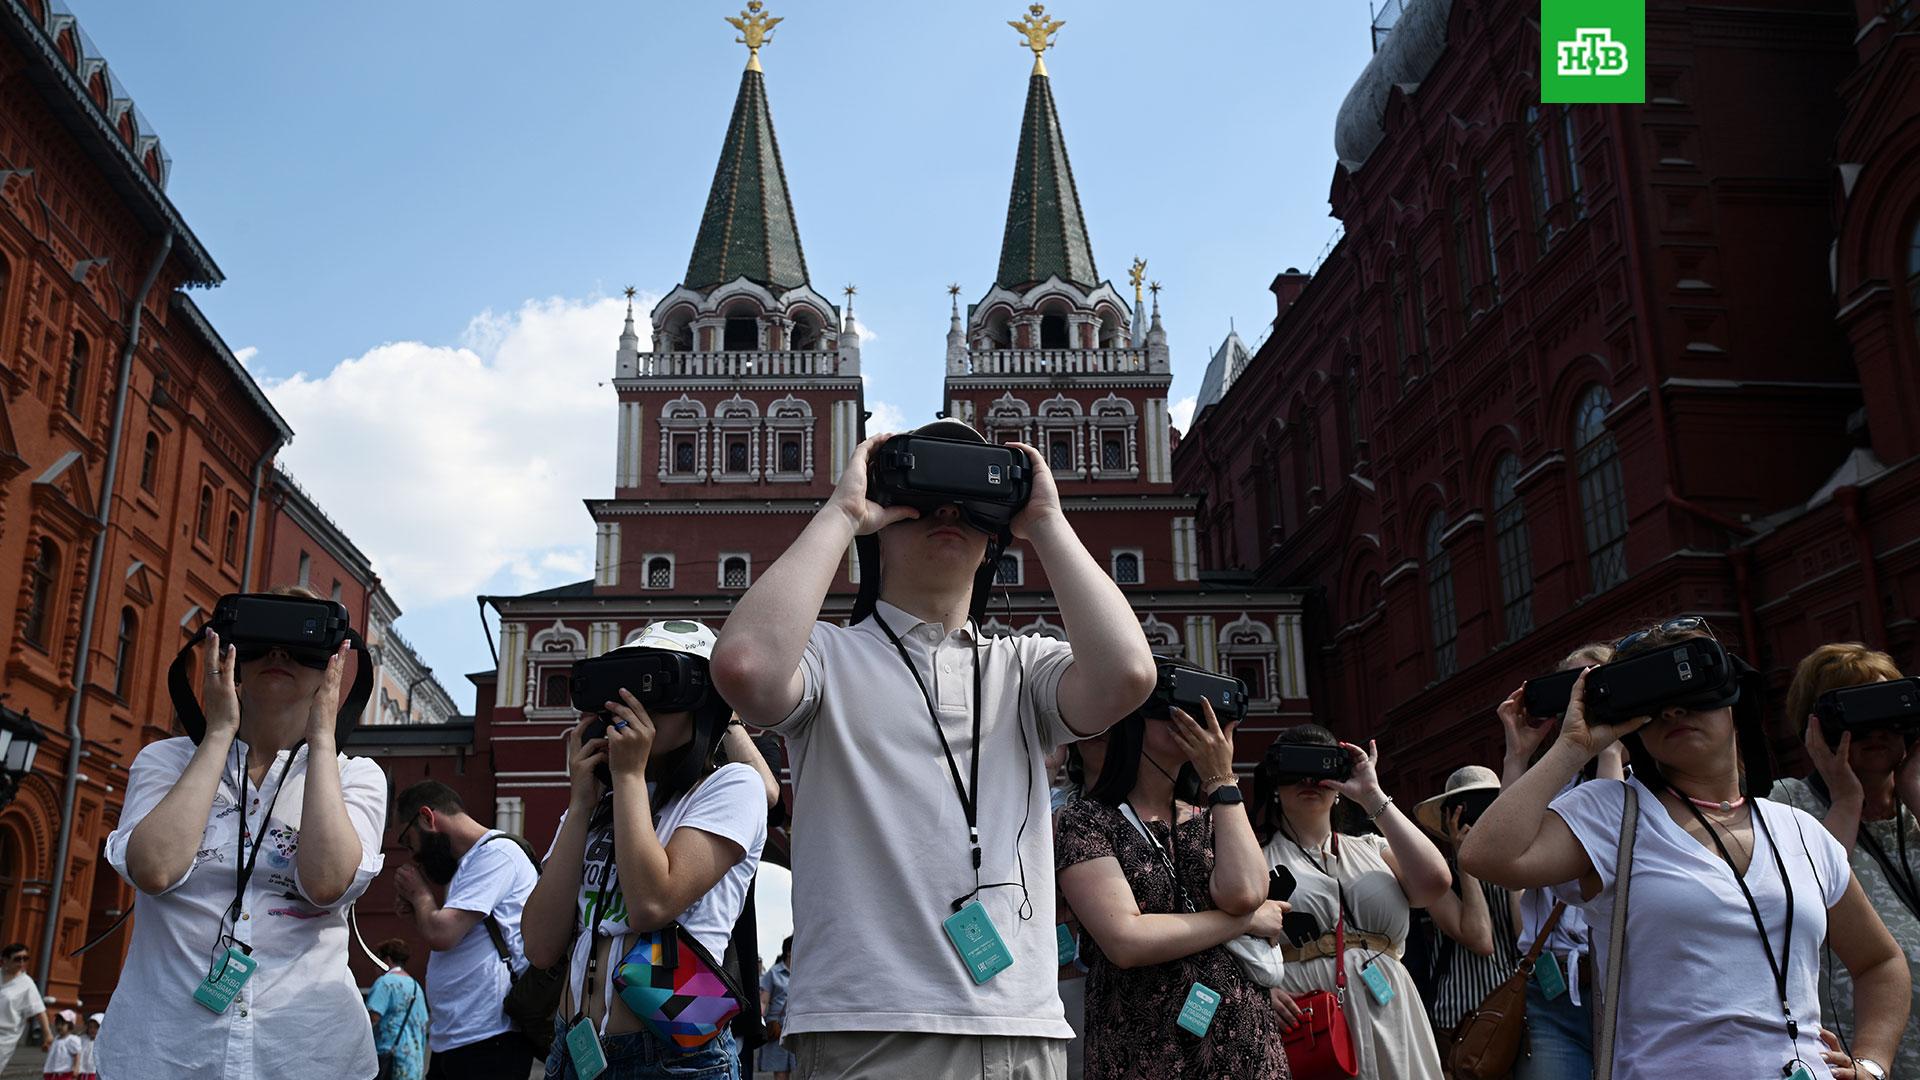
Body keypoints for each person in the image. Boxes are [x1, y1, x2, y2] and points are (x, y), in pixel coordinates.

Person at [711, 421, 1158, 1079]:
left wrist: (1047, 522)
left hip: (1015, 1023)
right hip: (865, 1022)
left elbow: (1128, 676)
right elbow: (746, 667)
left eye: (972, 499)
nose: (947, 511)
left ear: (994, 541)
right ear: (879, 525)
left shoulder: (1023, 667)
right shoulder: (828, 657)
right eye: (922, 494)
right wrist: (843, 510)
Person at [1461, 617, 1911, 1080]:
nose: (1674, 713)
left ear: (1732, 696)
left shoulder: (1800, 831)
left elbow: (1880, 960)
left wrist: (1872, 1065)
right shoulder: (1612, 814)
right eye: (1654, 706)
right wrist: (1574, 746)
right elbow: (1487, 856)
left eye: (1691, 692)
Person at [99, 586, 387, 1080]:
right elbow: (154, 869)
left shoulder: (355, 776)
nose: (278, 655)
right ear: (222, 647)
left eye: (303, 642)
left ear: (335, 661)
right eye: (259, 639)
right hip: (165, 1053)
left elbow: (326, 882)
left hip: (307, 1055)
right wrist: (216, 734)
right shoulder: (166, 762)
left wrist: (322, 737)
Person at [521, 620, 767, 1080]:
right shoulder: (600, 802)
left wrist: (630, 776)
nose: (638, 708)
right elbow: (539, 944)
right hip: (573, 1050)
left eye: (655, 686)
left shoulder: (730, 786)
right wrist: (579, 805)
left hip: (673, 1058)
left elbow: (652, 904)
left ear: (701, 702)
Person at [1055, 697, 1292, 1078]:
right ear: (1131, 724)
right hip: (1146, 1049)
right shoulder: (1087, 821)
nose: (1191, 722)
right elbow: (1126, 941)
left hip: (1244, 1047)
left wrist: (1222, 781)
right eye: (1172, 710)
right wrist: (1242, 923)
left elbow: (1246, 894)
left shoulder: (1214, 817)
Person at [1256, 725, 1452, 1080]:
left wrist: (1372, 795)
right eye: (1295, 769)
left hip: (1389, 1007)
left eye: (1321, 769)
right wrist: (1259, 991)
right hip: (1308, 1017)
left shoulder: (1373, 847)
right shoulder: (1257, 861)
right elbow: (1228, 944)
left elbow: (1435, 883)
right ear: (1274, 780)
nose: (1309, 781)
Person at [1768, 642, 1920, 1076]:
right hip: (1862, 1054)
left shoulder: (1917, 807)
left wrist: (1913, 788)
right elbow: (1804, 900)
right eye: (1856, 711)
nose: (1876, 729)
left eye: (1888, 710)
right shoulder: (1787, 806)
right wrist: (1846, 800)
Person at [1496, 642, 1617, 1080]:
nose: (1583, 700)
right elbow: (1505, 850)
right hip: (1552, 993)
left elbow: (1607, 852)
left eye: (1595, 685)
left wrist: (1609, 744)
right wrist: (1518, 755)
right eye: (1573, 690)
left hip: (1624, 988)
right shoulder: (1553, 784)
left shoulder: (1645, 781)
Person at [391, 779, 538, 1079]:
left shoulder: (497, 855)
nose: (412, 855)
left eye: (409, 842)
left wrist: (421, 896)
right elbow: (457, 936)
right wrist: (421, 912)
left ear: (427, 818)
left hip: (489, 1036)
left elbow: (442, 934)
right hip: (459, 1036)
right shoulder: (468, 864)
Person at [1411, 766, 1521, 1067]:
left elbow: (1525, 936)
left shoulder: (1512, 868)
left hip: (1512, 1016)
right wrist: (1466, 861)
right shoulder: (1437, 878)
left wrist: (1510, 851)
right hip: (1459, 1021)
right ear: (1448, 820)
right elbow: (1480, 939)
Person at [366, 938, 427, 1080]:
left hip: (391, 1059)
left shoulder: (385, 983)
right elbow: (423, 1023)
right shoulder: (415, 986)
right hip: (414, 1060)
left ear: (386, 960)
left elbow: (373, 1018)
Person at [0, 944, 53, 1071]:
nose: (22, 962)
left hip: (5, 1038)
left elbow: (39, 1010)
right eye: (18, 959)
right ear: (5, 960)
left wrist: (47, 1035)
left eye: (25, 958)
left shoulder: (26, 983)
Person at [760, 937, 794, 1080]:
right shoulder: (773, 973)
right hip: (777, 1026)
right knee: (780, 1071)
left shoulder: (803, 972)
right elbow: (763, 1000)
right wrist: (760, 1022)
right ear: (789, 952)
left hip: (795, 1025)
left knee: (800, 1069)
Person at [41, 1010, 80, 1080]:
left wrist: (76, 1067)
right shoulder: (55, 1039)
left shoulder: (72, 1039)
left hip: (64, 1072)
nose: (59, 1026)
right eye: (57, 1023)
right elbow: (52, 1051)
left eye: (62, 1024)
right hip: (51, 1071)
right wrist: (46, 1048)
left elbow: (77, 1054)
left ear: (70, 1025)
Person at [76, 1013, 100, 1080]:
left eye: (96, 1027)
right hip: (82, 1073)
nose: (92, 1029)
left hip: (94, 1074)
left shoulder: (103, 1043)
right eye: (90, 1027)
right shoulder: (82, 1039)